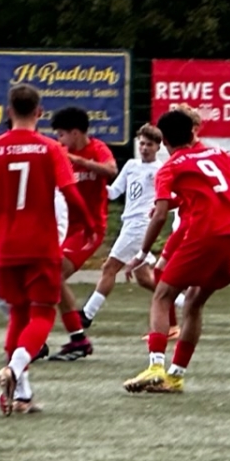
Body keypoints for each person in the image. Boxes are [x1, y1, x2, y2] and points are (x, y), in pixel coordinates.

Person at [122, 108, 230, 395]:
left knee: (162, 295)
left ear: (163, 141)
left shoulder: (170, 167)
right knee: (194, 302)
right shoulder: (220, 155)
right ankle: (175, 376)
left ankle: (155, 365)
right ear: (193, 132)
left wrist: (142, 253)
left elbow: (159, 216)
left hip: (203, 236)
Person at [0, 83, 79, 415]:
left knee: (18, 314)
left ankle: (19, 396)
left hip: (7, 246)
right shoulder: (51, 148)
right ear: (39, 112)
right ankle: (14, 370)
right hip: (41, 245)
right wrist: (86, 226)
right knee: (43, 313)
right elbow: (71, 194)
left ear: (8, 111)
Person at [47, 105, 118, 361]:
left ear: (75, 133)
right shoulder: (58, 153)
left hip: (89, 229)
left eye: (62, 134)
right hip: (62, 227)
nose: (59, 140)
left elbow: (111, 170)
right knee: (45, 278)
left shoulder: (97, 148)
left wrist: (78, 161)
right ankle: (65, 338)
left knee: (53, 275)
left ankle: (76, 340)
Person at [80, 122, 165, 325]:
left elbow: (168, 198)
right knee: (144, 278)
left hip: (141, 225)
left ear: (158, 147)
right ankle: (183, 301)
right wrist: (94, 184)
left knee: (109, 267)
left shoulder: (160, 170)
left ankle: (86, 314)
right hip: (128, 223)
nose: (145, 148)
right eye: (142, 144)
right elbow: (114, 192)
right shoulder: (131, 165)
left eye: (149, 145)